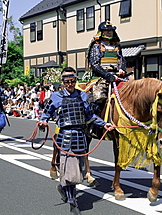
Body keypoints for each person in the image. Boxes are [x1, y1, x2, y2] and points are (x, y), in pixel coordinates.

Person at [38, 67, 114, 214]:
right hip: (65, 137)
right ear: (62, 82)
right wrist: (43, 121)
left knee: (79, 172)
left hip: (80, 137)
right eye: (67, 82)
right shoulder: (56, 96)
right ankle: (73, 201)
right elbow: (46, 113)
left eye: (72, 81)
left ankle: (62, 187)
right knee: (71, 173)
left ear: (75, 81)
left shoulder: (82, 95)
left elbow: (90, 116)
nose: (70, 84)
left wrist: (104, 124)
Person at [88, 20, 127, 105]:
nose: (109, 32)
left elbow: (121, 60)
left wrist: (121, 69)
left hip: (117, 76)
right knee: (98, 97)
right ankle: (96, 116)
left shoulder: (117, 46)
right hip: (101, 77)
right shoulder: (96, 46)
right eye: (106, 30)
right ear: (101, 32)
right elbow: (95, 64)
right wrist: (107, 75)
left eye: (111, 31)